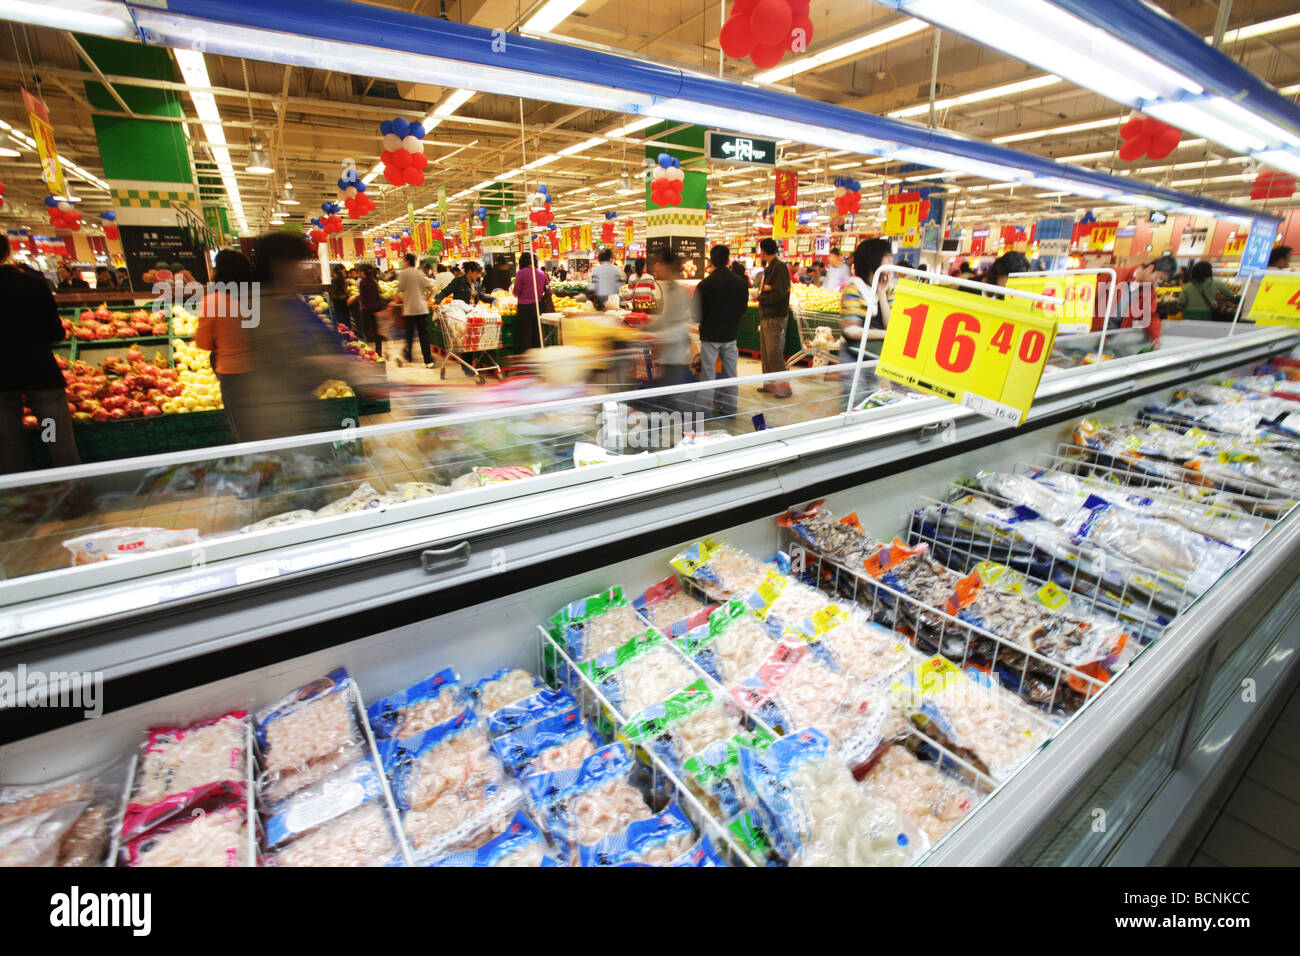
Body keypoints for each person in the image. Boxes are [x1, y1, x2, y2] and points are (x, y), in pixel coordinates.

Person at [231, 233, 378, 442]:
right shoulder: (257, 308)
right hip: (275, 421)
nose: (302, 270)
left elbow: (323, 343)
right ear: (278, 266)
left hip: (300, 414)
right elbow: (284, 363)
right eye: (297, 264)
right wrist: (340, 366)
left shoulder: (289, 300)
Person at [0, 236, 81, 473]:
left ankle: (22, 493)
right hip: (39, 375)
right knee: (55, 438)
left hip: (2, 382)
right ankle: (68, 489)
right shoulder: (31, 283)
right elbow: (54, 331)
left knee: (9, 442)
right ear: (7, 252)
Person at [195, 249, 256, 440]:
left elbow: (203, 343)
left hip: (231, 372)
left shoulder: (212, 302)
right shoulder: (256, 299)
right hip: (261, 369)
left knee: (241, 425)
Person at [693, 244, 748, 419]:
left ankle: (705, 410)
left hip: (710, 336)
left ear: (711, 261)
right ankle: (730, 409)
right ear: (728, 260)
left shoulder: (704, 285)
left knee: (708, 374)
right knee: (731, 374)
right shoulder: (741, 283)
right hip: (730, 334)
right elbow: (743, 309)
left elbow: (695, 314)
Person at [839, 237, 893, 407]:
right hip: (853, 356)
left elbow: (891, 326)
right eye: (887, 257)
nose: (891, 262)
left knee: (873, 400)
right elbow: (851, 330)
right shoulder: (853, 288)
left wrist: (882, 294)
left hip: (875, 356)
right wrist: (885, 334)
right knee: (855, 401)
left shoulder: (888, 289)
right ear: (873, 260)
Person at [645, 251, 693, 396]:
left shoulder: (679, 292)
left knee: (674, 399)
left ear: (669, 266)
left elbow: (681, 327)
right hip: (666, 357)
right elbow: (666, 319)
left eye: (660, 263)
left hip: (675, 359)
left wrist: (658, 337)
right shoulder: (669, 289)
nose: (656, 267)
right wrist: (644, 326)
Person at [1106, 254, 1177, 346]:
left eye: (1161, 281)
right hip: (1095, 332)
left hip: (1115, 337)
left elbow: (1150, 316)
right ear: (1150, 268)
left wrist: (1155, 337)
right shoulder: (1115, 275)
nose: (1157, 283)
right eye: (1158, 279)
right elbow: (1092, 298)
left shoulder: (1149, 292)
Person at [756, 237, 792, 398]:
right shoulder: (771, 267)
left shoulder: (780, 267)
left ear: (763, 251)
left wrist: (762, 297)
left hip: (775, 315)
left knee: (773, 352)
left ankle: (784, 387)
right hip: (767, 314)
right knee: (765, 352)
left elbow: (779, 293)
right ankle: (770, 384)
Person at [396, 252, 434, 366]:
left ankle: (409, 357)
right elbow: (432, 289)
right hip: (422, 309)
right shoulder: (420, 273)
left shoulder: (403, 273)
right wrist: (426, 300)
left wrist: (398, 300)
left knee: (409, 335)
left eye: (403, 261)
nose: (403, 263)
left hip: (410, 309)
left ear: (407, 261)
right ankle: (428, 359)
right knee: (424, 335)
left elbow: (398, 290)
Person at [512, 252, 550, 352]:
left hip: (525, 308)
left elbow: (516, 292)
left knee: (525, 335)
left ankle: (526, 356)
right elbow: (549, 291)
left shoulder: (521, 273)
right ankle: (537, 357)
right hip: (539, 306)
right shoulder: (542, 273)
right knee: (537, 335)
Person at [357, 263, 385, 355]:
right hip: (377, 308)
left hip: (367, 309)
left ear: (362, 272)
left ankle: (366, 350)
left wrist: (354, 298)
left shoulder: (362, 282)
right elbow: (378, 295)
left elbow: (363, 297)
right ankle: (379, 350)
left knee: (365, 329)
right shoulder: (374, 281)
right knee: (376, 330)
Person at [329, 263, 351, 330]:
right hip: (342, 300)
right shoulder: (340, 279)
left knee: (340, 318)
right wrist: (348, 295)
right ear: (340, 270)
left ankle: (342, 330)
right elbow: (344, 290)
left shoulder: (335, 279)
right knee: (345, 317)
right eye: (344, 270)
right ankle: (347, 330)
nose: (345, 272)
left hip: (337, 301)